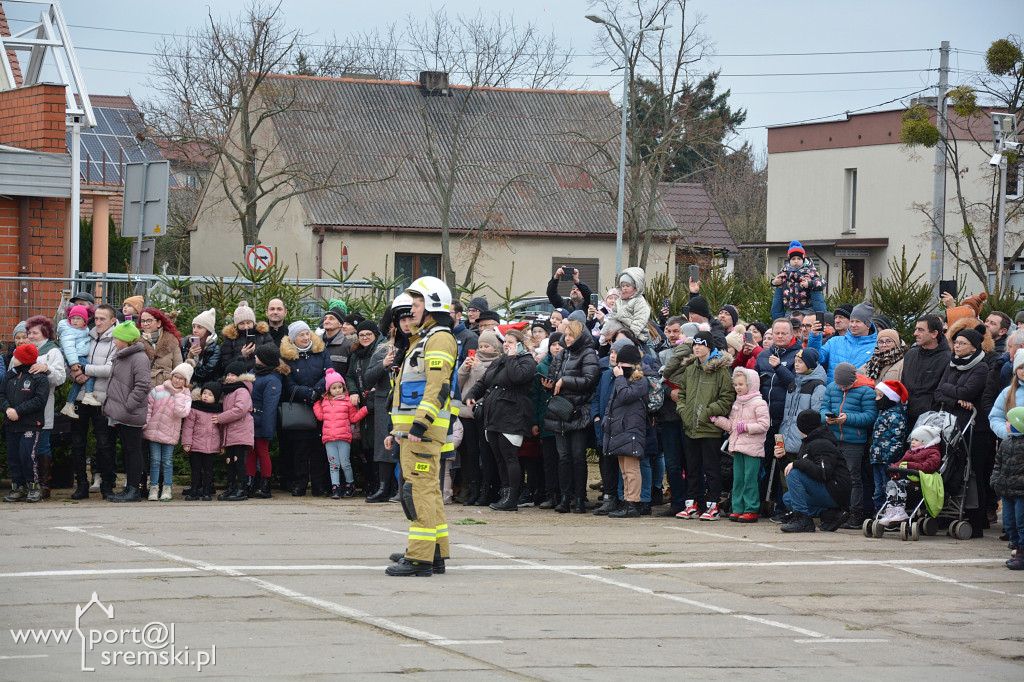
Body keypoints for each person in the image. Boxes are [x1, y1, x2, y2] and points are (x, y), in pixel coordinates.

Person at [384, 276, 458, 577]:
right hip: (414, 432)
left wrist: (418, 426)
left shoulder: (438, 338)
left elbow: (437, 387)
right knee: (428, 492)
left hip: (422, 433)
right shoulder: (423, 340)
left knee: (418, 492)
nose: (411, 311)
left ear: (431, 306)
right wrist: (397, 431)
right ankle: (434, 553)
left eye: (416, 305)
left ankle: (419, 558)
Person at [464, 329, 536, 512]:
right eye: (505, 342)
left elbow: (517, 377)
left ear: (520, 344)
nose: (507, 345)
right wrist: (472, 393)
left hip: (513, 415)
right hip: (494, 415)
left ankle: (513, 497)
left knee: (510, 457)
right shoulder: (499, 360)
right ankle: (504, 495)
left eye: (511, 342)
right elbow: (485, 381)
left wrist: (512, 357)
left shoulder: (526, 361)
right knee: (499, 458)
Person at [672, 331, 736, 521]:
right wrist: (683, 411)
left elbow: (727, 397)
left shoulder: (721, 370)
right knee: (691, 468)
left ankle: (713, 505)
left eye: (701, 344)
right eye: (695, 345)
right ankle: (692, 504)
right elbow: (681, 393)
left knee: (711, 468)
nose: (697, 348)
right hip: (690, 427)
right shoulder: (690, 368)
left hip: (709, 429)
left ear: (709, 346)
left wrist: (708, 412)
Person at [542, 319, 600, 514]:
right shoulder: (562, 355)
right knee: (563, 457)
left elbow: (590, 380)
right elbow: (553, 378)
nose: (566, 339)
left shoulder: (588, 353)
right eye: (566, 335)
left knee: (577, 456)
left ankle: (579, 498)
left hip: (578, 412)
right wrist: (548, 385)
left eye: (571, 335)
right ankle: (564, 496)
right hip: (560, 411)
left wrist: (564, 380)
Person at [365, 296, 414, 503]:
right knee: (383, 445)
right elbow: (368, 378)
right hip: (384, 401)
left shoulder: (415, 347)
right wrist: (383, 364)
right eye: (400, 323)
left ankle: (401, 488)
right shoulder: (383, 349)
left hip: (407, 402)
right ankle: (383, 487)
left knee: (405, 444)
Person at [68, 304, 118, 500]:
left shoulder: (116, 340)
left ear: (113, 321)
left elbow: (109, 370)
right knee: (78, 443)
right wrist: (74, 374)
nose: (97, 322)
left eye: (102, 319)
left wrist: (84, 371)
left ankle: (107, 484)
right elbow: (71, 361)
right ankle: (81, 484)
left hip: (102, 399)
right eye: (96, 318)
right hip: (80, 397)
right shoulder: (84, 336)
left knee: (105, 444)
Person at [820, 362, 878, 528]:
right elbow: (823, 408)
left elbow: (870, 416)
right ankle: (838, 511)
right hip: (833, 438)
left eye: (846, 385)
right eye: (840, 385)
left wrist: (848, 418)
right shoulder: (832, 388)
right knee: (833, 477)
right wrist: (826, 417)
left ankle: (856, 513)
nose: (843, 388)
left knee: (853, 477)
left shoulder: (866, 391)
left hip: (854, 442)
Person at [778, 409, 852, 533]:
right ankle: (829, 515)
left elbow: (823, 472)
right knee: (788, 498)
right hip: (827, 490)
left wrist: (797, 463)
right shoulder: (810, 440)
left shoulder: (821, 443)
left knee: (794, 473)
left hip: (835, 491)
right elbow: (801, 469)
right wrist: (782, 458)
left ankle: (803, 520)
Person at [597, 342, 649, 519]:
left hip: (631, 429)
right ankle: (626, 501)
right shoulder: (622, 379)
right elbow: (612, 404)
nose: (619, 367)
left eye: (622, 364)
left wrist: (619, 378)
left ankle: (633, 503)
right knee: (624, 469)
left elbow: (626, 396)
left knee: (632, 469)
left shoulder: (640, 380)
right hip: (618, 430)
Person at [712, 367, 770, 523]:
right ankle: (737, 508)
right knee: (738, 479)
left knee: (749, 479)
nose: (737, 387)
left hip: (752, 449)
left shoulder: (759, 403)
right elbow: (732, 425)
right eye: (736, 384)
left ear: (750, 384)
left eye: (741, 384)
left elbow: (764, 425)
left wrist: (746, 427)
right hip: (738, 448)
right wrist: (717, 421)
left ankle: (751, 509)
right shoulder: (738, 402)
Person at [280, 321, 331, 496]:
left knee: (319, 448)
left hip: (321, 404)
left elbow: (329, 372)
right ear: (293, 338)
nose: (305, 337)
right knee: (300, 449)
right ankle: (299, 484)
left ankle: (319, 485)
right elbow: (288, 382)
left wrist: (317, 391)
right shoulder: (286, 356)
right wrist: (306, 393)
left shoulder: (320, 350)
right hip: (300, 406)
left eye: (307, 333)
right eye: (301, 335)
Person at [105, 321, 152, 503]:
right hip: (122, 413)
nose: (114, 341)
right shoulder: (122, 355)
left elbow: (143, 385)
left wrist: (128, 405)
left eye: (117, 338)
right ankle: (128, 488)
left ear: (126, 340)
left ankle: (134, 489)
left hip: (130, 412)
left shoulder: (139, 358)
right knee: (127, 450)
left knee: (134, 451)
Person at [24, 315, 66, 499]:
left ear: (45, 334)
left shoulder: (53, 352)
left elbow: (60, 378)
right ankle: (28, 484)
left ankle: (44, 485)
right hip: (23, 405)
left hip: (43, 404)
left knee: (42, 445)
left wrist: (46, 369)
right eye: (29, 332)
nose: (30, 336)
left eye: (34, 333)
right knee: (25, 447)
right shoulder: (24, 350)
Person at [0, 344, 49, 502]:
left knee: (27, 455)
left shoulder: (39, 378)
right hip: (11, 424)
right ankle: (17, 487)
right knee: (13, 457)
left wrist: (18, 411)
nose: (12, 358)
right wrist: (7, 409)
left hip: (30, 424)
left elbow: (39, 400)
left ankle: (33, 487)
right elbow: (1, 395)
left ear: (23, 359)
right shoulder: (11, 376)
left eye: (16, 356)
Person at [458, 330, 502, 505]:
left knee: (485, 452)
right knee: (471, 453)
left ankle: (487, 489)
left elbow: (484, 383)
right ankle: (473, 490)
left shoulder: (497, 362)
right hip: (467, 413)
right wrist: (464, 368)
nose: (483, 349)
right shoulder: (473, 359)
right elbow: (460, 383)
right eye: (480, 346)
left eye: (486, 346)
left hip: (484, 412)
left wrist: (476, 368)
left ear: (494, 347)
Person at [314, 368, 369, 499]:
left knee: (345, 463)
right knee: (333, 464)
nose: (338, 390)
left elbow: (353, 418)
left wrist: (365, 410)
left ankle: (350, 484)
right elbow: (320, 416)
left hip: (344, 437)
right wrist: (316, 404)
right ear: (329, 390)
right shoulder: (325, 402)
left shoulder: (348, 402)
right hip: (329, 438)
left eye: (340, 387)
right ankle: (336, 487)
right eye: (334, 388)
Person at [143, 363, 193, 501]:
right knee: (154, 461)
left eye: (181, 378)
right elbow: (148, 408)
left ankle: (167, 488)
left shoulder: (186, 396)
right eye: (175, 376)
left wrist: (179, 396)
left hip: (170, 433)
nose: (177, 380)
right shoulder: (158, 390)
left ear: (186, 382)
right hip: (153, 431)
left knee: (167, 462)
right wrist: (146, 423)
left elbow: (181, 412)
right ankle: (153, 488)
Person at [876, 424, 941, 527]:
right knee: (891, 483)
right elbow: (901, 462)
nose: (912, 442)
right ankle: (891, 509)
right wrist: (893, 468)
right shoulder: (910, 453)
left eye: (916, 440)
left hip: (919, 481)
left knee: (900, 484)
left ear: (925, 441)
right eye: (912, 440)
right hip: (907, 479)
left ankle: (900, 509)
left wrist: (910, 466)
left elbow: (929, 466)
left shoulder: (933, 452)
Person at [249, 343, 288, 498]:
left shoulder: (273, 379)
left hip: (262, 420)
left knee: (262, 452)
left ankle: (265, 483)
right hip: (250, 420)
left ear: (264, 359)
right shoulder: (254, 371)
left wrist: (267, 429)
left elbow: (270, 406)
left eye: (258, 355)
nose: (255, 356)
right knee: (250, 452)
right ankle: (250, 481)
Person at [808, 301, 877, 383]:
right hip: (832, 392)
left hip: (858, 394)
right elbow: (817, 358)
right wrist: (815, 337)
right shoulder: (835, 341)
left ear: (868, 325)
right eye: (852, 321)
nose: (853, 325)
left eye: (858, 321)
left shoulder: (876, 347)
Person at [901, 314, 952, 427]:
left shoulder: (948, 359)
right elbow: (903, 384)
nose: (915, 333)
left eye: (920, 330)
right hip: (905, 417)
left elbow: (944, 392)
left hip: (930, 422)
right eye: (916, 329)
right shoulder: (910, 354)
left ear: (934, 334)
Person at [868, 380, 910, 513]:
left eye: (880, 396)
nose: (876, 399)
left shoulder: (895, 415)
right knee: (878, 488)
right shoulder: (884, 413)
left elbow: (898, 438)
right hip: (877, 458)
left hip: (888, 460)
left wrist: (891, 456)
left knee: (888, 487)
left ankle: (890, 513)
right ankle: (880, 513)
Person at [992, 404, 1024, 570]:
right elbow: (998, 464)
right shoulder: (1006, 443)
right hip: (1006, 491)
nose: (1005, 424)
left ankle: (1022, 553)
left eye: (1008, 421)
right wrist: (995, 480)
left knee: (1021, 522)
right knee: (1009, 522)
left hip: (1021, 492)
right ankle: (1017, 547)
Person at [217, 361, 255, 501]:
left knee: (238, 461)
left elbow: (240, 410)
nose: (229, 378)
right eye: (228, 375)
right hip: (230, 432)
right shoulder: (228, 391)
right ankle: (231, 486)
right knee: (229, 461)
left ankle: (241, 488)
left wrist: (220, 418)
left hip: (240, 431)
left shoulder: (242, 390)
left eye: (233, 375)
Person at [182, 382, 223, 502]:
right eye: (204, 393)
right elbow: (188, 427)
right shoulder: (195, 409)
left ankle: (206, 491)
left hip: (211, 446)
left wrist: (222, 445)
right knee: (196, 469)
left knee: (209, 470)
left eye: (210, 394)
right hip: (196, 445)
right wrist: (187, 443)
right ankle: (194, 490)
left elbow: (222, 430)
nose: (206, 396)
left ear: (216, 397)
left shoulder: (219, 411)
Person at [770, 241, 826, 320]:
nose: (796, 261)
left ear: (803, 259)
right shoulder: (785, 271)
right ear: (789, 260)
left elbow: (822, 283)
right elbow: (775, 280)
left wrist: (810, 283)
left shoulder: (810, 271)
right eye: (793, 259)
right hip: (791, 308)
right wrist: (774, 282)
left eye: (799, 259)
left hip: (807, 307)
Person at [57, 304, 96, 418]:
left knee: (78, 383)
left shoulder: (81, 330)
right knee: (91, 370)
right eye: (72, 318)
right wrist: (73, 362)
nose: (75, 321)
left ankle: (69, 405)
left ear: (85, 321)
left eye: (78, 318)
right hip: (76, 357)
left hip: (78, 356)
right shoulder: (69, 330)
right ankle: (89, 394)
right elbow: (69, 347)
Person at [219, 301, 273, 376]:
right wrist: (242, 355)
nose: (246, 326)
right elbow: (226, 364)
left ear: (253, 323)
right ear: (236, 325)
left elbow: (271, 356)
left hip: (260, 374)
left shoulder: (262, 334)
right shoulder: (230, 338)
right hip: (238, 377)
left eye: (248, 323)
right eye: (242, 323)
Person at [606, 267, 652, 345]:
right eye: (623, 286)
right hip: (618, 334)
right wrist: (605, 332)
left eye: (627, 286)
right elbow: (611, 316)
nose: (624, 288)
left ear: (635, 286)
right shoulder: (619, 301)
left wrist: (629, 337)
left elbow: (639, 320)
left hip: (636, 336)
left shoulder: (639, 301)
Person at [139, 307, 183, 388]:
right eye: (143, 321)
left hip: (166, 391)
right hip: (143, 391)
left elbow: (179, 370)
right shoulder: (136, 343)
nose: (145, 324)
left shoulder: (172, 341)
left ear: (159, 323)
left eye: (149, 320)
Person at [182, 308, 222, 386]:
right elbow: (179, 369)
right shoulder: (186, 344)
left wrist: (190, 367)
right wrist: (189, 357)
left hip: (205, 389)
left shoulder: (214, 349)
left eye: (199, 327)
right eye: (194, 326)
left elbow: (203, 374)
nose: (195, 330)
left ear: (208, 330)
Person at [320, 307, 352, 376]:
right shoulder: (315, 344)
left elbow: (351, 375)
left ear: (340, 324)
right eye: (325, 318)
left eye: (331, 319)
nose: (326, 321)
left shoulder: (348, 346)